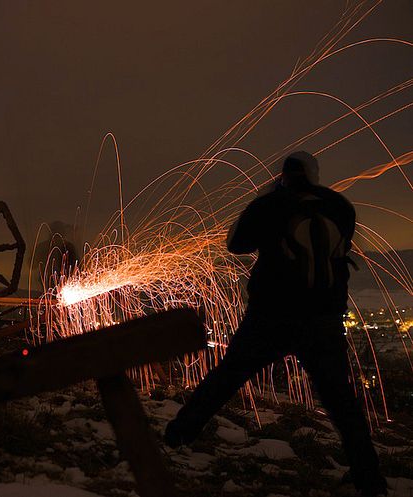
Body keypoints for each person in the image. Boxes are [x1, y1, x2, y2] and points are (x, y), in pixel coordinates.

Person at [164, 152, 386, 497]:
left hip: (271, 317)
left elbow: (236, 243)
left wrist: (263, 198)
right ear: (314, 174)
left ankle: (177, 436)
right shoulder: (341, 206)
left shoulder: (270, 204)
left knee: (228, 376)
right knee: (341, 400)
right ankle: (369, 477)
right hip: (323, 319)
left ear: (282, 175)